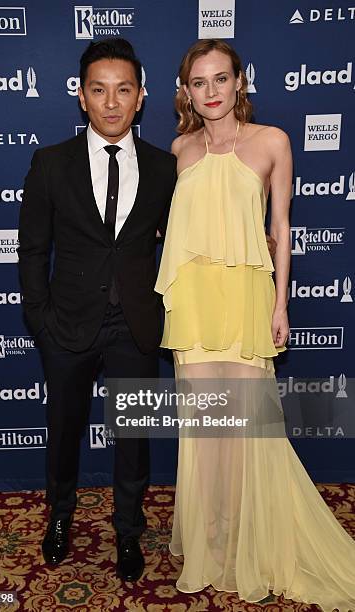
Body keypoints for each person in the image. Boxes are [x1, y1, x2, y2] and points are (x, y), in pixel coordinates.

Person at [155, 39, 355, 610]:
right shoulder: (180, 151)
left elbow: (282, 227)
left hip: (246, 297)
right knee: (206, 428)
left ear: (239, 82)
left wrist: (280, 304)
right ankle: (212, 537)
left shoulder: (273, 142)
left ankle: (250, 536)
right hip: (192, 302)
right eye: (199, 82)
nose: (211, 91)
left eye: (221, 79)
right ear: (185, 91)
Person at [17, 38, 177, 581]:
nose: (111, 102)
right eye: (99, 90)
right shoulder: (50, 162)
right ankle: (59, 519)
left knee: (133, 438)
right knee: (63, 431)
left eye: (123, 90)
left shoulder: (164, 167)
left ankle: (128, 532)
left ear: (141, 98)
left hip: (134, 325)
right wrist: (39, 319)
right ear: (82, 97)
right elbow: (34, 249)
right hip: (66, 324)